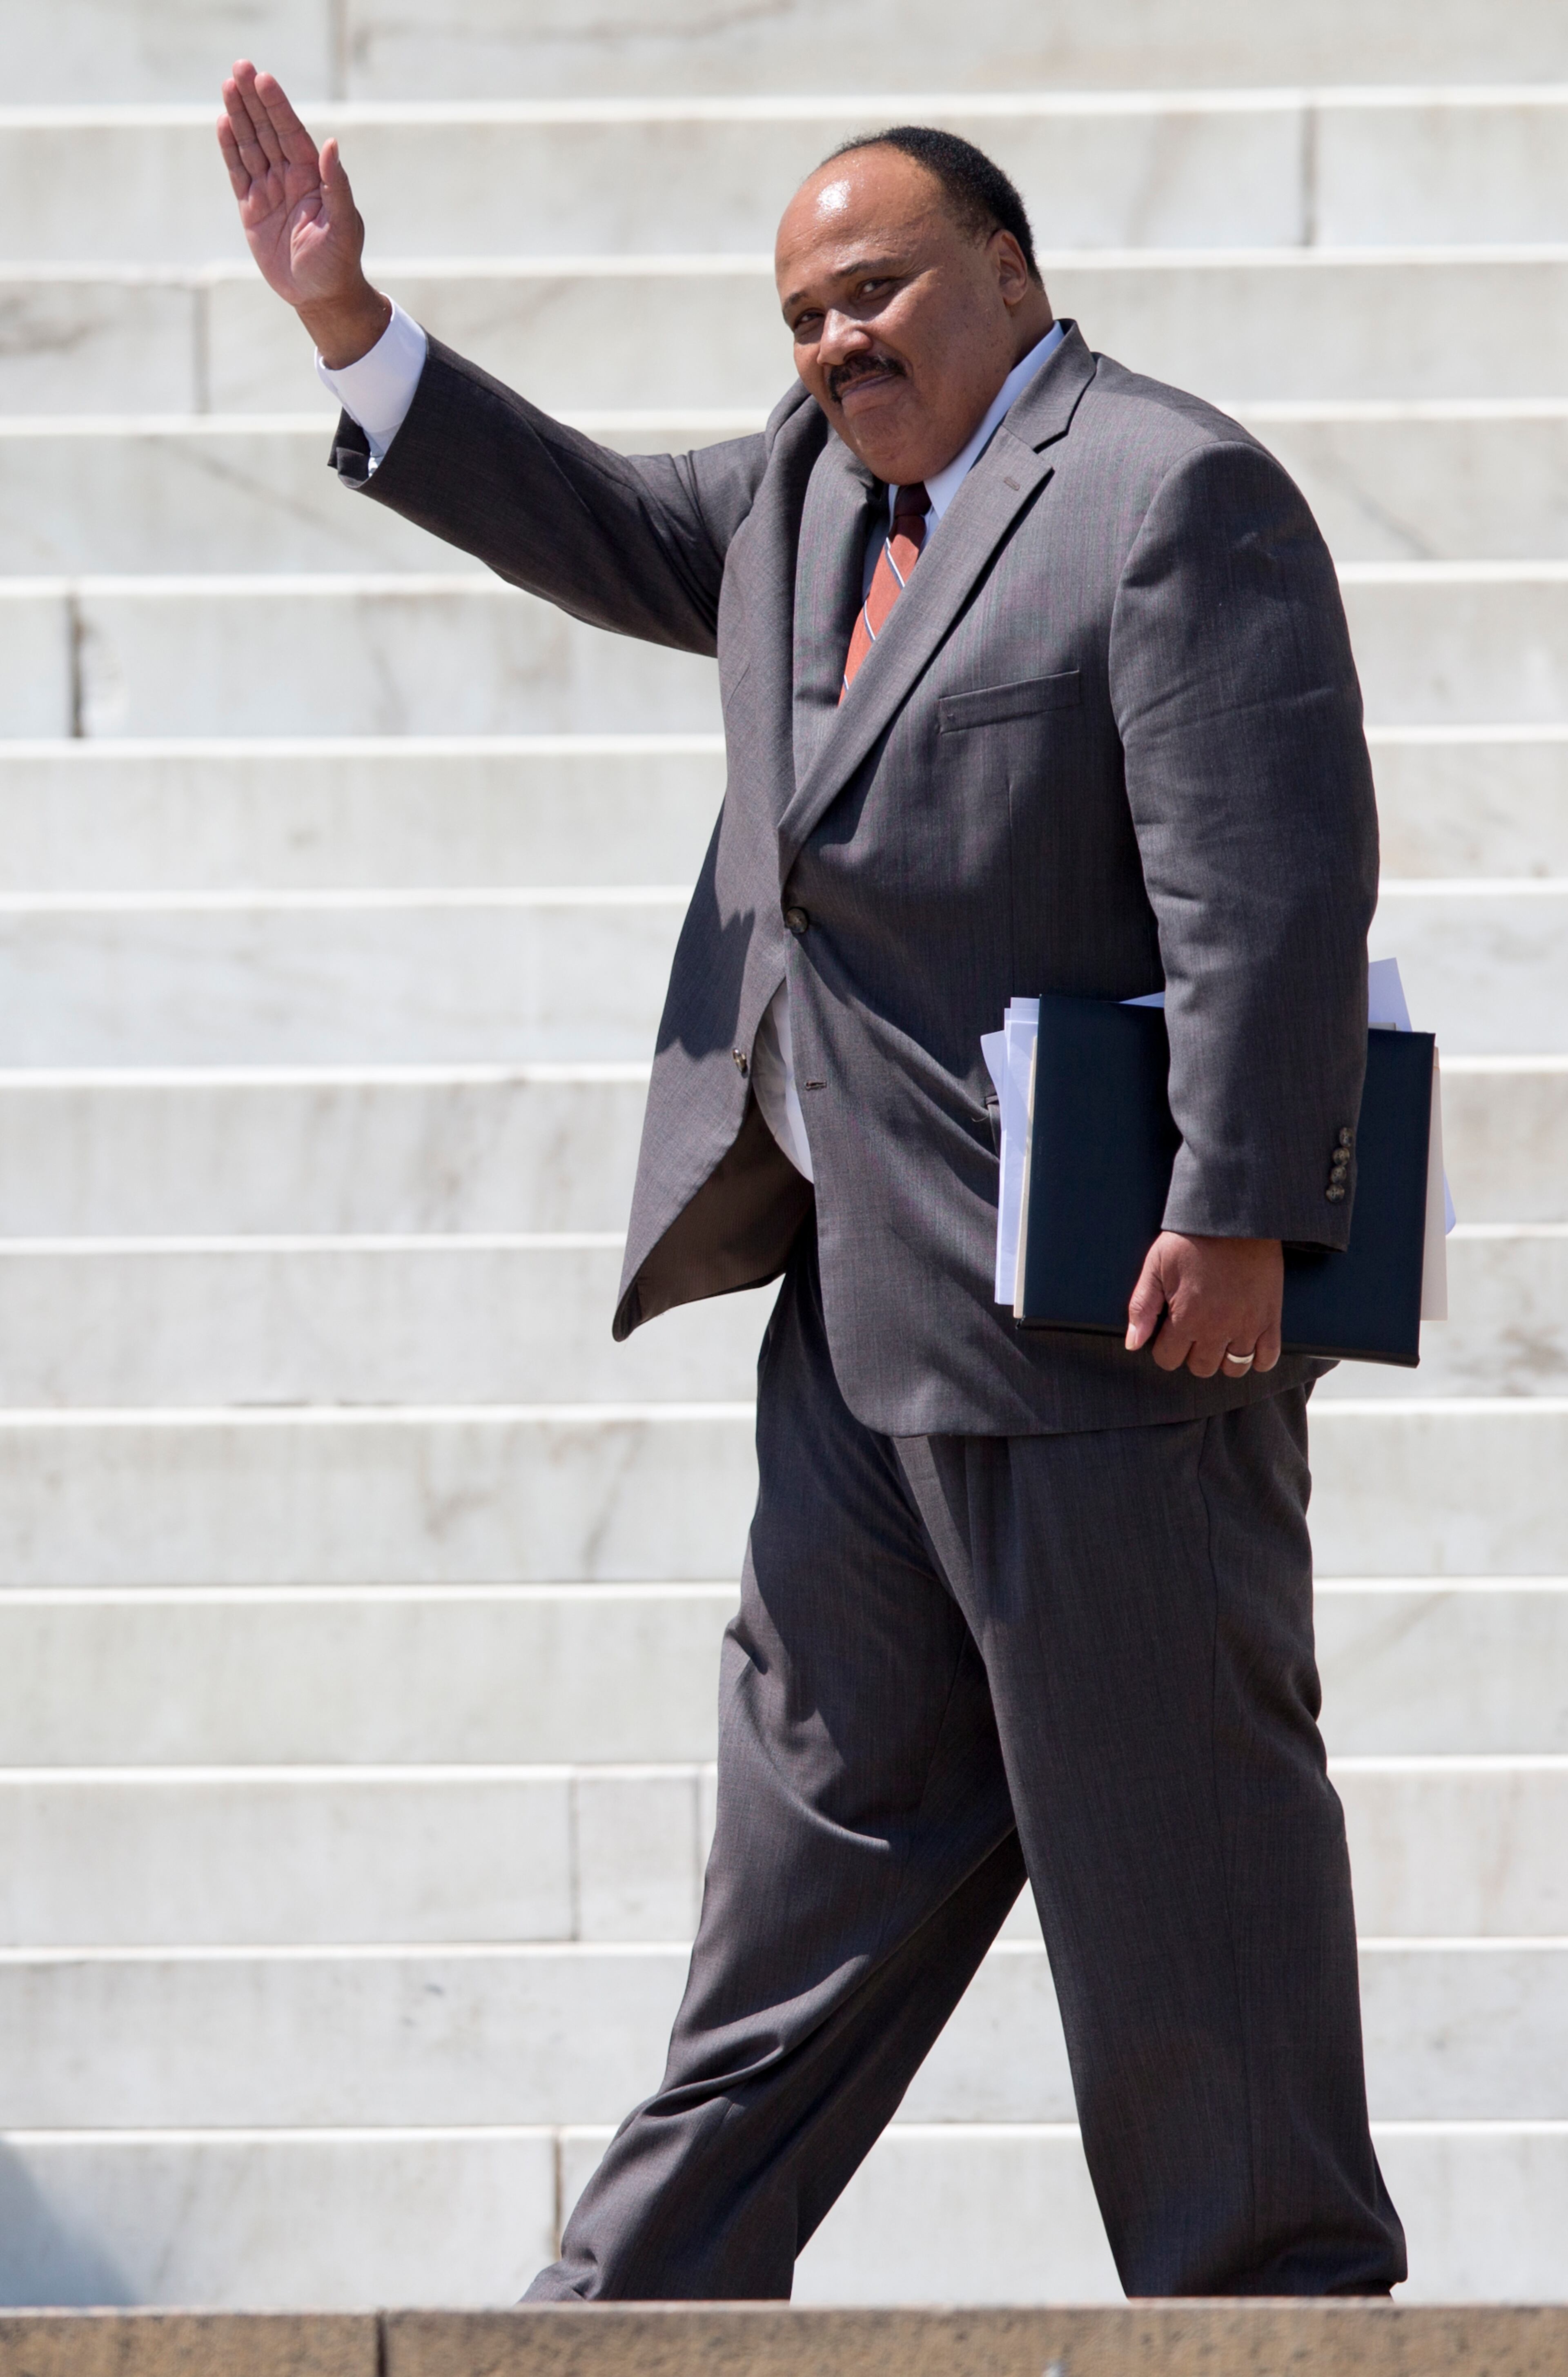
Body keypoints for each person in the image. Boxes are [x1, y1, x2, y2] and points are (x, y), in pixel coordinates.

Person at [218, 62, 1407, 2299]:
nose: (839, 344)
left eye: (877, 294)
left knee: (1187, 1878)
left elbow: (1269, 883)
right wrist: (349, 325)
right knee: (806, 1868)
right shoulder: (803, 502)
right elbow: (584, 515)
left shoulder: (1164, 490)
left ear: (1012, 273)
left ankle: (1277, 2323)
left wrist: (1248, 1204)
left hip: (1111, 1332)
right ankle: (635, 2310)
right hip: (858, 1327)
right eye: (802, 317)